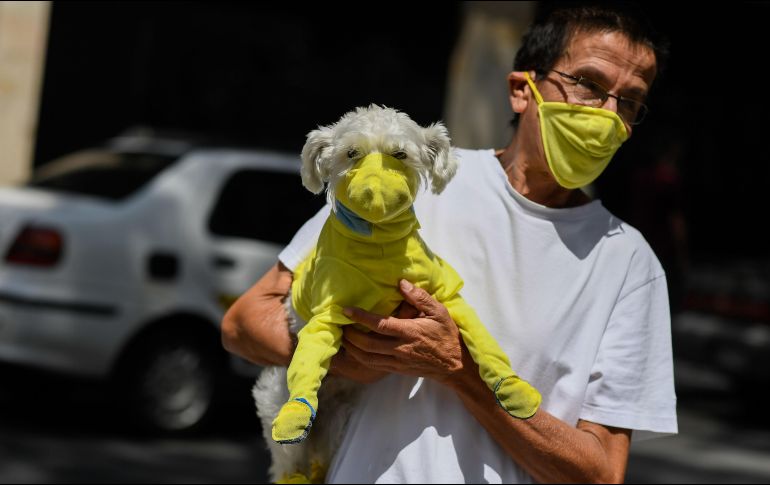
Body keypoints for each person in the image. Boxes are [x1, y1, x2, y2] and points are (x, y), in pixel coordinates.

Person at [222, 4, 677, 483]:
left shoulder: (629, 262)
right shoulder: (412, 176)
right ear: (523, 91)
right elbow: (243, 322)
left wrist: (462, 371)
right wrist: (346, 351)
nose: (607, 114)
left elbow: (601, 473)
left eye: (629, 101)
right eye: (588, 83)